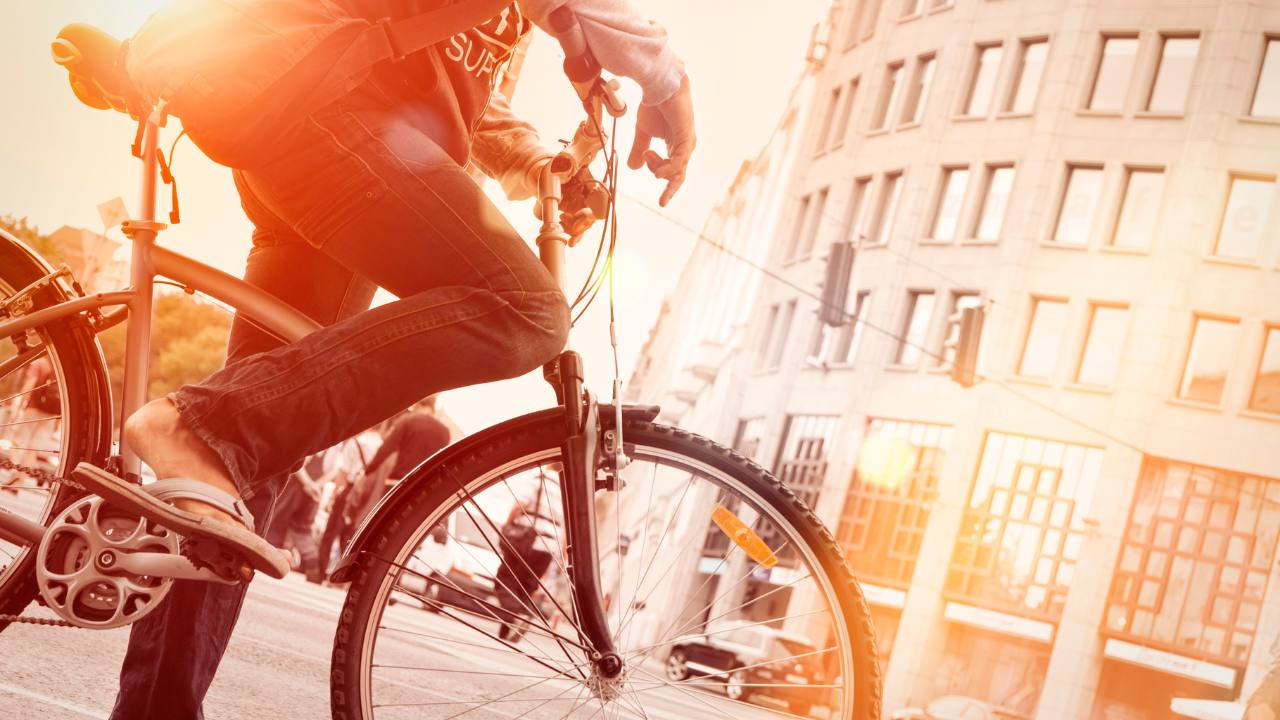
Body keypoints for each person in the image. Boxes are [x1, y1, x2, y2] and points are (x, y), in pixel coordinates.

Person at [90, 3, 694, 715]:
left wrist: (533, 159)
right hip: (329, 116)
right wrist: (667, 87)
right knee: (526, 310)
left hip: (329, 119)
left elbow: (442, 72)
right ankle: (195, 426)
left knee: (240, 461)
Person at [342, 395, 452, 534]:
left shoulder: (408, 420)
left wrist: (367, 472)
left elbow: (386, 449)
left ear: (420, 405)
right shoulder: (444, 432)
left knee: (382, 526)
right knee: (405, 531)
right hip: (422, 489)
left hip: (397, 483)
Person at [262, 452, 326, 583]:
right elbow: (336, 468)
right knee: (303, 527)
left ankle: (271, 559)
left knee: (278, 521)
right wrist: (316, 485)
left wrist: (307, 483)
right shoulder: (337, 445)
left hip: (296, 482)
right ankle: (310, 555)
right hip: (317, 489)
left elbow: (297, 456)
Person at [2, 355, 60, 491]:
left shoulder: (39, 363)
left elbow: (29, 386)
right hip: (51, 415)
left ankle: (15, 472)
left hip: (33, 410)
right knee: (33, 450)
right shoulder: (59, 368)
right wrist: (58, 419)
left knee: (15, 441)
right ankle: (18, 485)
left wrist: (19, 407)